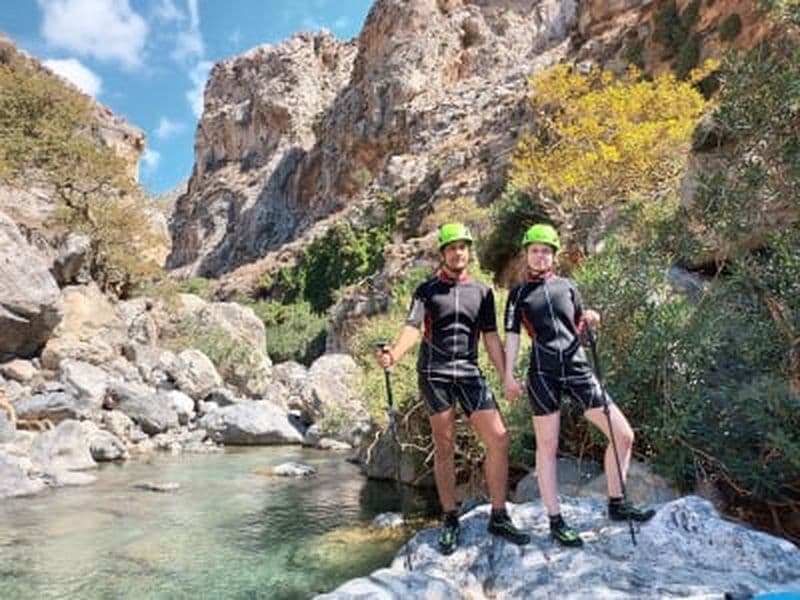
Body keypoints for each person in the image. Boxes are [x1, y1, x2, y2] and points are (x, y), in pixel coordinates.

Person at [376, 222, 530, 555]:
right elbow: (413, 328)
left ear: (469, 251)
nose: (458, 252)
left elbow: (490, 338)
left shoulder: (483, 292)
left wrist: (507, 376)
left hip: (470, 373)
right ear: (443, 253)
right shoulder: (426, 291)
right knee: (443, 447)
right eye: (452, 248)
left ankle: (499, 514)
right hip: (435, 374)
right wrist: (393, 355)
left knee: (499, 439)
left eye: (463, 247)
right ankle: (449, 519)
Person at [503, 223, 655, 547]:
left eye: (546, 250)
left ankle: (617, 503)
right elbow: (513, 337)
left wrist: (590, 319)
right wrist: (507, 374)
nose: (540, 255)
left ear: (553, 255)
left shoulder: (568, 286)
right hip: (542, 375)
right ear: (526, 255)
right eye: (535, 250)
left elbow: (576, 326)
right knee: (547, 448)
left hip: (578, 369)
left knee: (623, 435)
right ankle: (556, 521)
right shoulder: (517, 296)